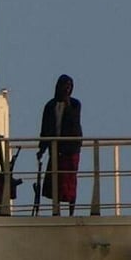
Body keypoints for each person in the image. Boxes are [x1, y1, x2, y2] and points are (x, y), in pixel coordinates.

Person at [37, 74, 82, 216]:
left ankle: (71, 212)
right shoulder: (50, 106)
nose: (67, 89)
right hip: (55, 149)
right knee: (55, 181)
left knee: (70, 182)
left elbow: (74, 122)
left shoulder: (75, 104)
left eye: (69, 86)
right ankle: (56, 210)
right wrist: (42, 148)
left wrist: (68, 105)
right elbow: (45, 128)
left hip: (71, 149)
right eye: (65, 86)